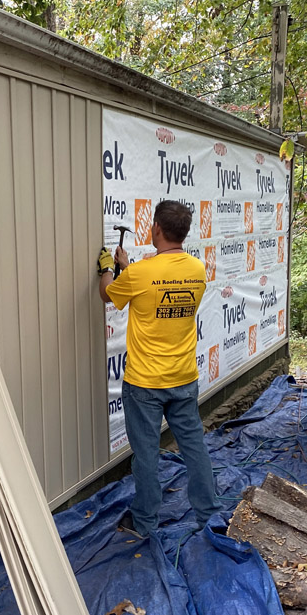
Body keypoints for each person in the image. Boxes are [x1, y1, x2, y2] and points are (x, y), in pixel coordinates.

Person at [96, 200, 219, 538]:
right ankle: (209, 515)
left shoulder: (141, 273)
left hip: (145, 383)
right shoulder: (196, 269)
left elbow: (109, 294)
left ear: (158, 230)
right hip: (183, 378)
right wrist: (131, 266)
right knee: (194, 447)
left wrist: (107, 268)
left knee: (147, 454)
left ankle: (145, 522)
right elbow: (163, 285)